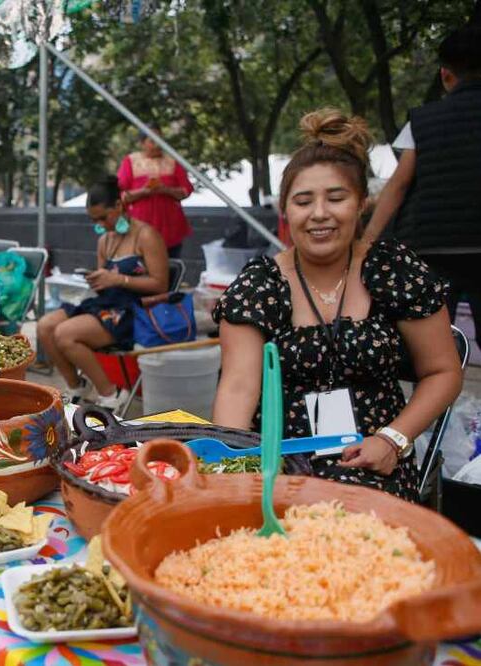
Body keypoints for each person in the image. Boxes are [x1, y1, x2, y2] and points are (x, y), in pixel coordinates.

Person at [212, 109, 463, 503]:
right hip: (280, 464)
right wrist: (233, 469)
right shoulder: (260, 284)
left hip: (373, 463)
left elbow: (443, 371)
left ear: (361, 202)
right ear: (285, 210)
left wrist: (392, 439)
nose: (319, 214)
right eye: (303, 201)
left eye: (336, 198)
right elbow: (239, 387)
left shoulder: (393, 270)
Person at [362, 25, 481, 350]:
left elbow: (398, 186)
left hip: (433, 249)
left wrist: (366, 242)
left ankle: (435, 400)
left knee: (435, 344)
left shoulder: (424, 120)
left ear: (445, 74)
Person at [37, 178, 170, 409]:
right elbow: (105, 280)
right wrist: (96, 279)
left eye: (103, 217)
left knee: (65, 334)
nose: (100, 224)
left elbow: (161, 284)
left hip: (132, 310)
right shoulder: (105, 240)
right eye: (94, 220)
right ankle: (77, 385)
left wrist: (119, 279)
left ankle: (111, 394)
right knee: (45, 326)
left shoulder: (146, 235)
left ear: (118, 206)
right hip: (104, 303)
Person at [117, 130, 194, 257]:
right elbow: (121, 195)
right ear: (142, 143)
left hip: (170, 228)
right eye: (152, 141)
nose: (157, 145)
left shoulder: (172, 161)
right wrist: (144, 191)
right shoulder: (130, 161)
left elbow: (185, 191)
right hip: (139, 229)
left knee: (170, 267)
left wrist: (165, 190)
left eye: (160, 140)